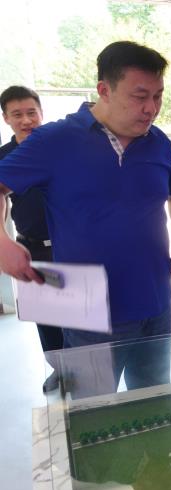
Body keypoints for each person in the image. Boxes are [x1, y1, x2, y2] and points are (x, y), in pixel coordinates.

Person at [0, 41, 171, 353]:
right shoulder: (55, 140)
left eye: (158, 96)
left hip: (155, 303)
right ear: (104, 90)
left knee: (155, 385)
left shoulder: (158, 141)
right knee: (87, 387)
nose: (151, 108)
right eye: (140, 96)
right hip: (87, 315)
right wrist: (2, 243)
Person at [0, 86, 64, 357]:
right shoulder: (4, 156)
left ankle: (88, 373)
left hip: (70, 245)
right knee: (47, 321)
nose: (26, 120)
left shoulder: (61, 149)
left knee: (83, 318)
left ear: (41, 113)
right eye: (17, 114)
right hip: (32, 249)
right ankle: (59, 371)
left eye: (31, 113)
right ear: (6, 118)